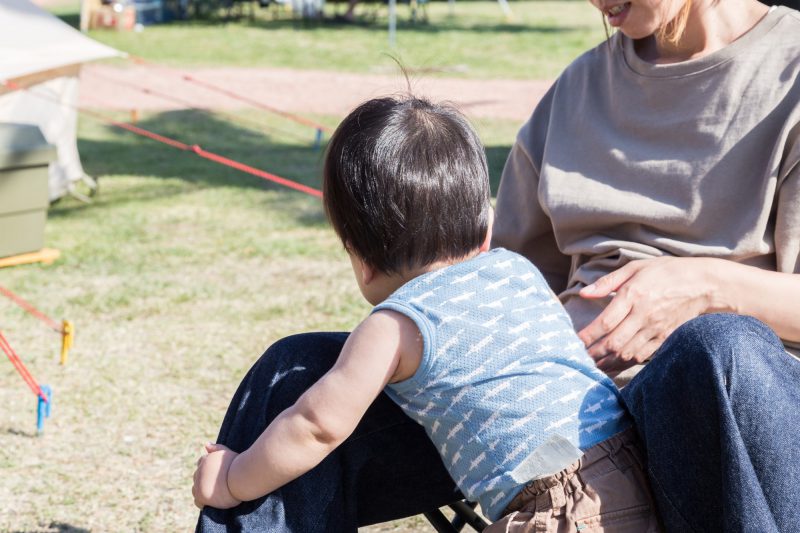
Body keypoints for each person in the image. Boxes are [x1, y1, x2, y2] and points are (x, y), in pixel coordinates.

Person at [196, 0, 800, 530]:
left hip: (719, 422)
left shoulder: (789, 71)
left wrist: (709, 287)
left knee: (719, 349)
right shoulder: (577, 91)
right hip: (543, 428)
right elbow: (478, 276)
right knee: (294, 374)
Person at [192, 96, 661, 531]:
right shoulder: (516, 270)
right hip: (633, 467)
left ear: (361, 258)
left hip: (553, 508)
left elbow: (315, 427)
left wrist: (233, 478)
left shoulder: (393, 328)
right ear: (486, 230)